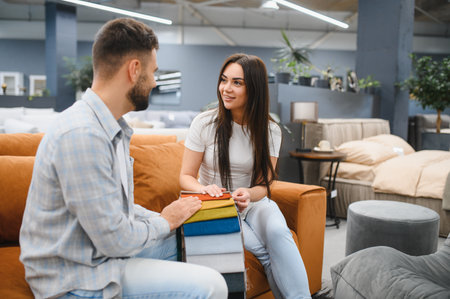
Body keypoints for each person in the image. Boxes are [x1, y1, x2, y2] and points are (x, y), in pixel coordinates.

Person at [19, 18, 227, 299]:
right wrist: (164, 221)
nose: (154, 81)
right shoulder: (82, 134)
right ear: (134, 69)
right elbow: (115, 239)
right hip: (77, 276)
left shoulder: (110, 128)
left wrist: (173, 218)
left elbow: (120, 212)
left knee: (192, 240)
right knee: (212, 285)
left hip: (99, 254)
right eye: (153, 72)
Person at [180, 53, 311, 299]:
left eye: (237, 83)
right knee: (262, 251)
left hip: (253, 202)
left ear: (254, 89)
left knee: (278, 234)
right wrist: (204, 189)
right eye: (223, 80)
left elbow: (266, 183)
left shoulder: (270, 129)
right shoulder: (204, 123)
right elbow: (186, 176)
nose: (226, 89)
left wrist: (249, 193)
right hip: (217, 204)